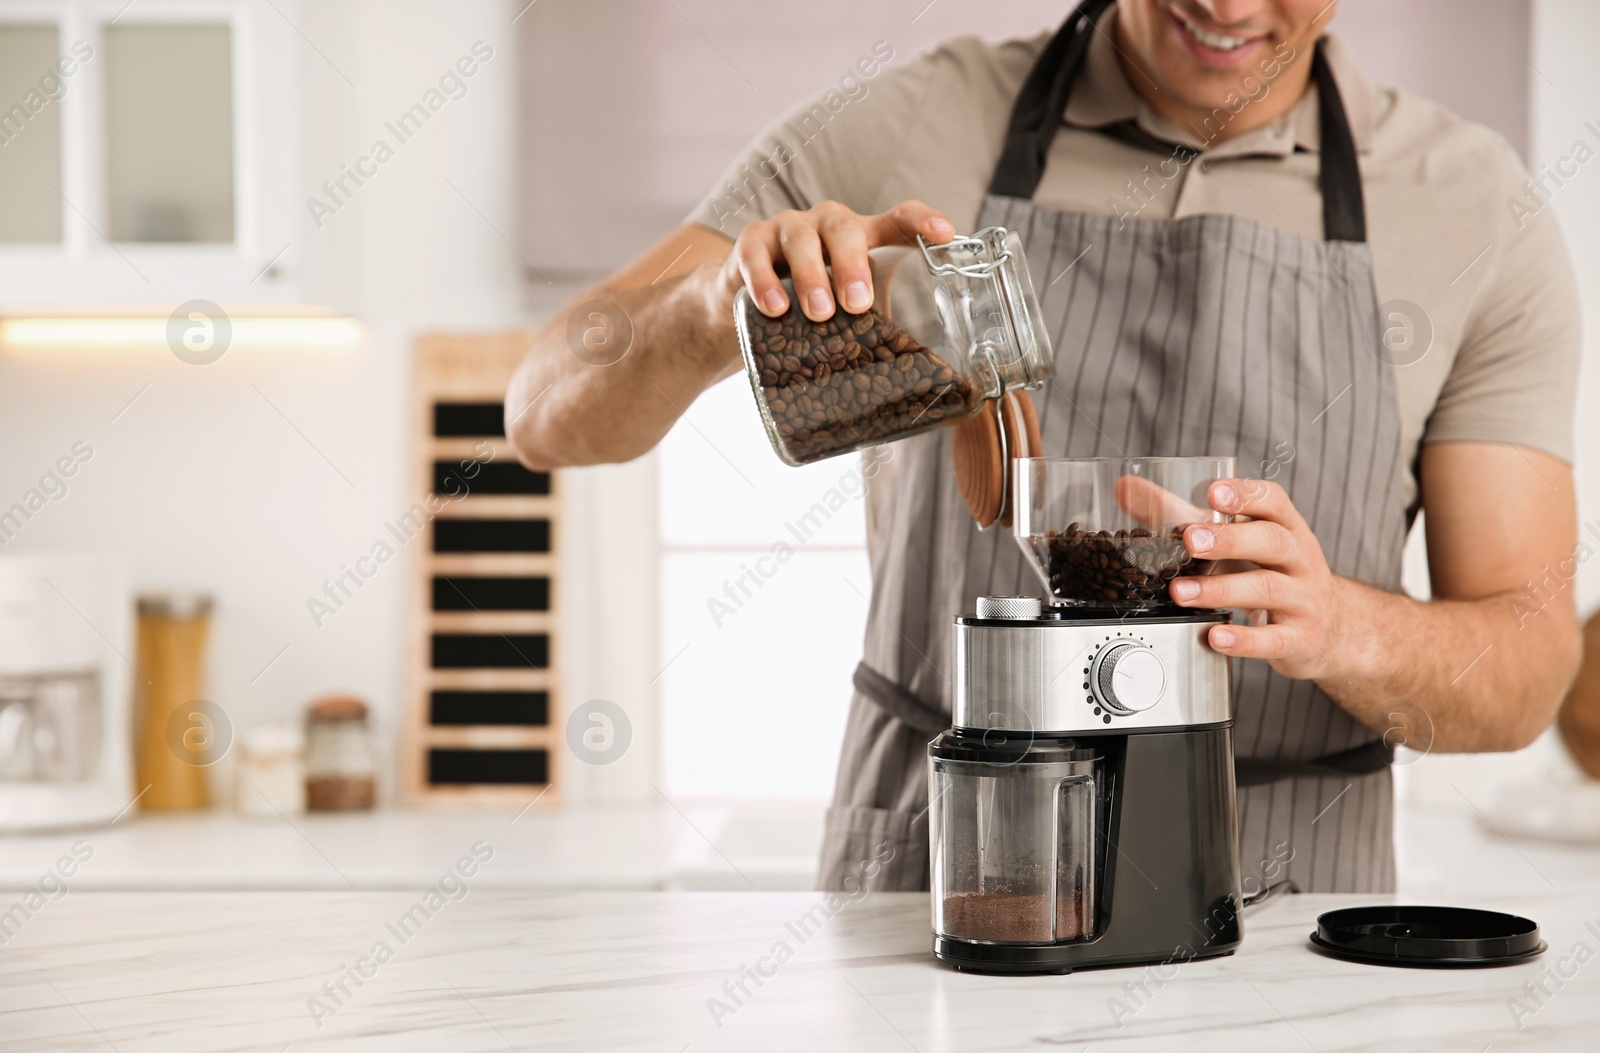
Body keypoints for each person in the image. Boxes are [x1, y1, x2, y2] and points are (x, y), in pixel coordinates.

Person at [508, 0, 1582, 892]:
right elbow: (543, 409)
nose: (1226, 6)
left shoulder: (1474, 206)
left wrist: (1341, 623)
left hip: (1281, 897)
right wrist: (717, 305)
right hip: (943, 865)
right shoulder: (907, 122)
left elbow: (1527, 672)